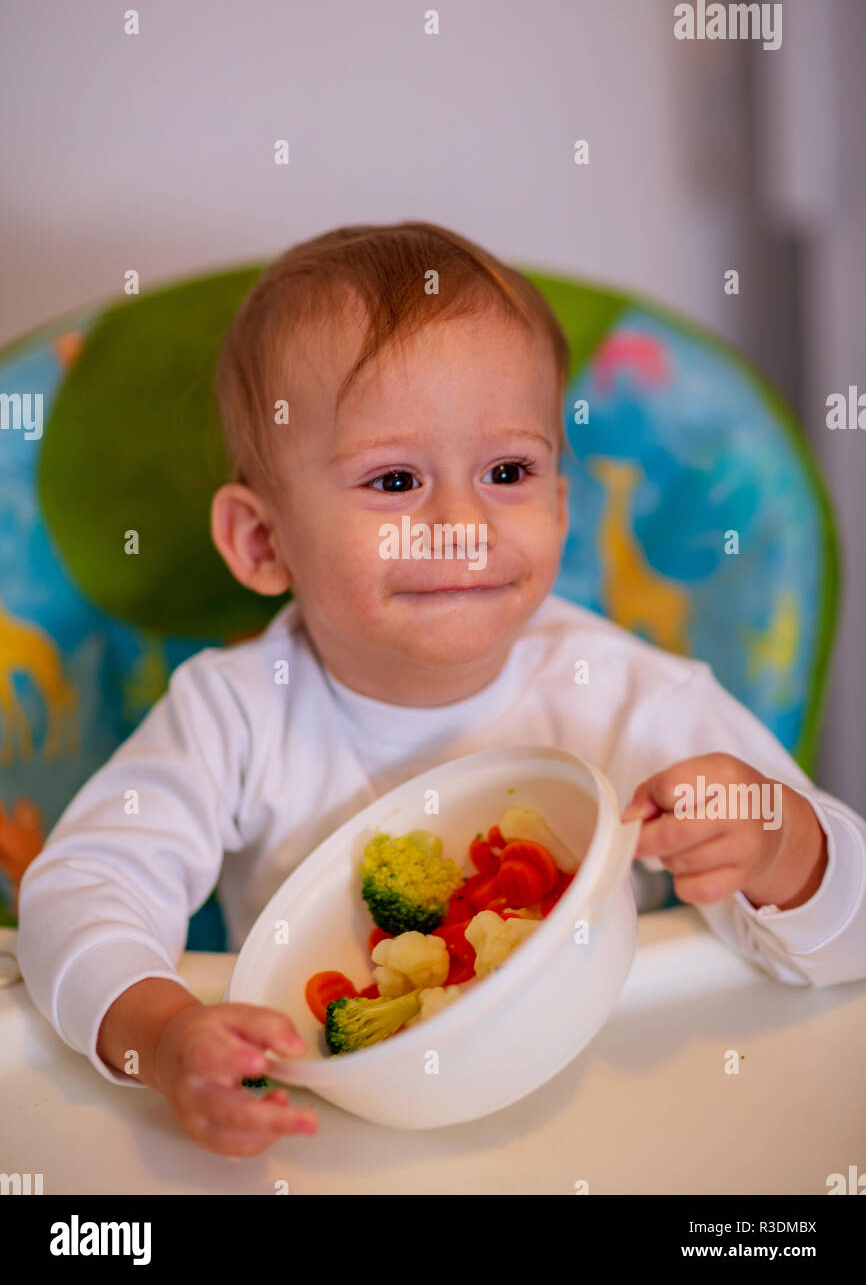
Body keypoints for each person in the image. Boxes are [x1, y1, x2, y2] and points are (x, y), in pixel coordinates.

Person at [17, 221, 866, 1158]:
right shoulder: (233, 714)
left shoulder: (631, 698)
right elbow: (79, 893)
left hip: (627, 1126)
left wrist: (784, 846)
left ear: (560, 505)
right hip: (338, 1141)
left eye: (508, 471)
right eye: (394, 480)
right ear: (262, 542)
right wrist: (166, 1040)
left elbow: (849, 947)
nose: (461, 523)